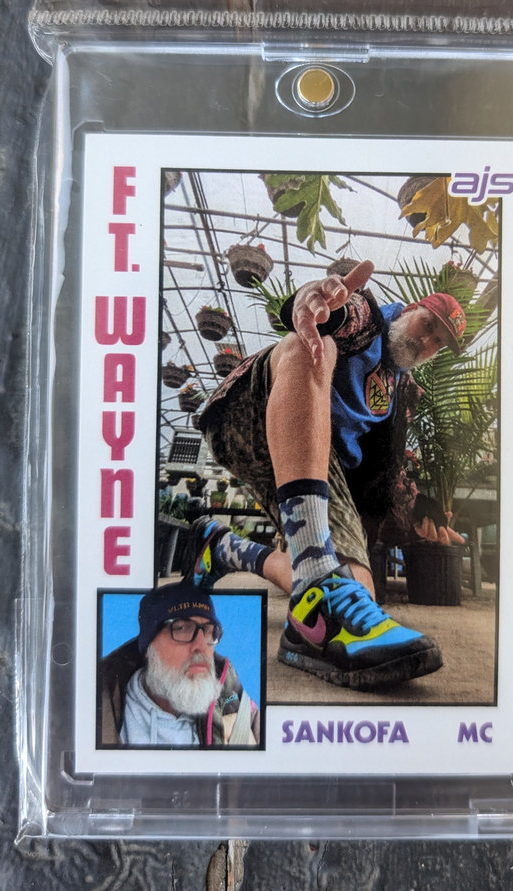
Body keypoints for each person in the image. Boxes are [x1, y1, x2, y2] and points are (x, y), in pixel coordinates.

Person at [190, 260, 466, 691]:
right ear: (411, 309)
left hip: (319, 462)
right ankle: (311, 575)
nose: (426, 341)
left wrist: (423, 509)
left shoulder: (402, 392)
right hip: (250, 411)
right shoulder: (370, 320)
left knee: (352, 591)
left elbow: (390, 472)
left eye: (437, 343)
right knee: (313, 345)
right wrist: (318, 304)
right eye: (427, 325)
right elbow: (339, 315)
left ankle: (225, 548)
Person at [98, 581, 260, 747]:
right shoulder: (97, 706)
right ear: (148, 647)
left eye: (208, 631)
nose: (201, 646)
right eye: (182, 628)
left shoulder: (238, 705)